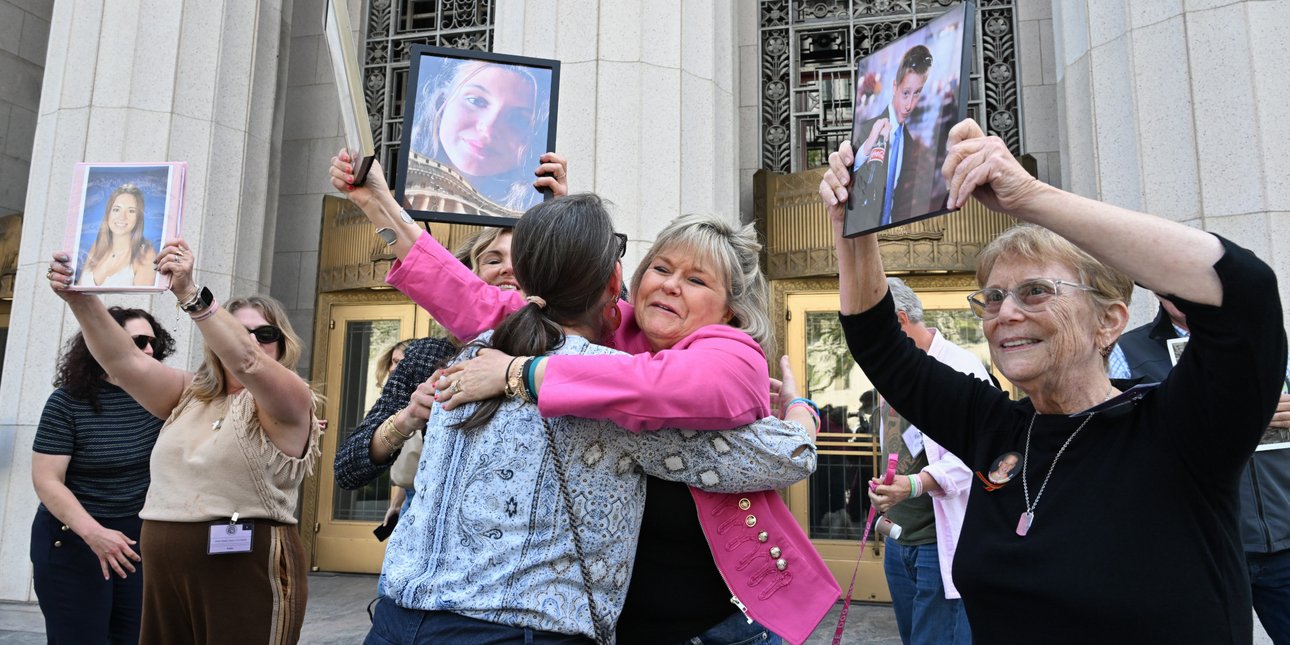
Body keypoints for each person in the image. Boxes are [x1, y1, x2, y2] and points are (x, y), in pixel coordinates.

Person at [330, 151, 841, 644]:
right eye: (661, 268)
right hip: (621, 621)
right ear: (628, 280)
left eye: (697, 279)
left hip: (714, 618)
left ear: (730, 308)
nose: (670, 286)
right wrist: (380, 205)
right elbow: (471, 297)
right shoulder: (612, 332)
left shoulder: (733, 352)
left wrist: (520, 373)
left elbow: (662, 387)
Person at [818, 119, 1286, 641]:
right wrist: (851, 223)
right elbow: (879, 345)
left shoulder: (1182, 427)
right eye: (993, 298)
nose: (1006, 313)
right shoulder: (993, 426)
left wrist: (1030, 198)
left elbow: (1245, 291)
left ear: (1108, 321)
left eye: (1036, 291)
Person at [47, 241, 322, 644]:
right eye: (237, 328)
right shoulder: (189, 393)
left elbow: (248, 362)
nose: (249, 340)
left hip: (246, 568)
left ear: (281, 343)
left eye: (263, 333)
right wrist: (80, 298)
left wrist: (191, 294)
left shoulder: (292, 398)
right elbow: (123, 364)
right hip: (165, 572)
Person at [1109, 296, 1290, 643]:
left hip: (1282, 540)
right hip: (1198, 547)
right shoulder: (1126, 350)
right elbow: (1113, 437)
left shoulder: (1262, 338)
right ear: (1160, 292)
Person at [30, 306, 173, 644]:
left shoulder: (162, 397)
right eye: (138, 342)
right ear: (105, 343)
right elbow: (47, 480)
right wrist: (94, 534)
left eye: (154, 342)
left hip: (136, 540)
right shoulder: (67, 403)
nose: (150, 350)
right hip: (74, 537)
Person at [865, 277, 989, 645]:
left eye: (875, 329)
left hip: (939, 544)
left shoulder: (961, 368)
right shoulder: (892, 373)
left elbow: (978, 456)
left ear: (900, 320)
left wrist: (914, 484)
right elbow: (898, 449)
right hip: (898, 540)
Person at [404, 59, 549, 214]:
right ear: (442, 102)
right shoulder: (397, 194)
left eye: (518, 118)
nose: (488, 128)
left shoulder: (534, 212)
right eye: (476, 101)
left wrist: (556, 210)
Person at [849, 45, 937, 229]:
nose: (909, 105)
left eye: (917, 93)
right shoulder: (868, 126)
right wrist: (866, 148)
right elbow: (853, 179)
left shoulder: (910, 143)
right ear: (895, 87)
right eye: (906, 93)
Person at [76, 184, 158, 287]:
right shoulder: (98, 247)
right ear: (108, 213)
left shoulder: (146, 255)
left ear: (138, 217)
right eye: (116, 209)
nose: (122, 217)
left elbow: (141, 299)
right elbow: (78, 290)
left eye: (131, 211)